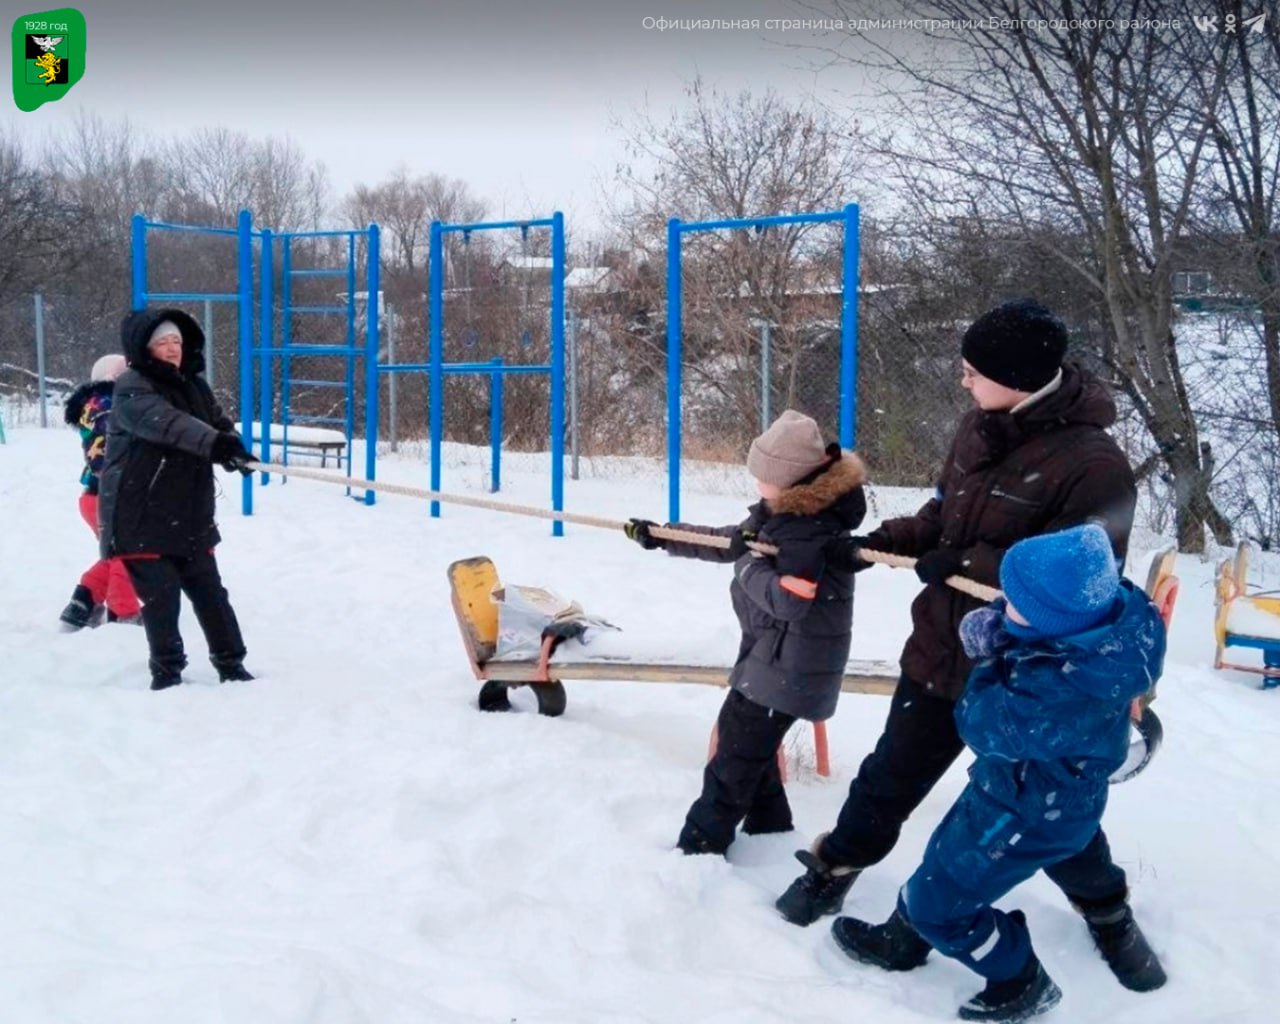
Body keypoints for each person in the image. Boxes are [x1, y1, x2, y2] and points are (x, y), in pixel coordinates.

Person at [774, 299, 1165, 993]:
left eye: (973, 371)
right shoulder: (979, 425)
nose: (962, 381)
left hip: (1032, 677)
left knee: (1045, 804)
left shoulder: (1094, 465)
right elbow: (944, 511)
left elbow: (1086, 574)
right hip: (940, 649)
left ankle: (1107, 911)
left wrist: (965, 563)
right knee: (890, 774)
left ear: (1016, 377)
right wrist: (892, 542)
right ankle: (834, 868)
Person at [828, 524, 1167, 1022]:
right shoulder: (1110, 634)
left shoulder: (1054, 696)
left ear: (1050, 622)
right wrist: (1013, 632)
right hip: (1052, 792)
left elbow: (979, 722)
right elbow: (1047, 644)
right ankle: (906, 940)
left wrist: (988, 657)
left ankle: (1018, 978)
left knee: (940, 900)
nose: (1002, 601)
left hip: (1021, 807)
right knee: (968, 854)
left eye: (1015, 602)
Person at [624, 410, 867, 855]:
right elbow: (729, 540)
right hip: (779, 658)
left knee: (733, 759)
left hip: (789, 664)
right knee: (752, 748)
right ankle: (770, 829)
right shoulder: (787, 514)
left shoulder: (804, 531)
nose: (756, 484)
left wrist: (747, 565)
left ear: (790, 480)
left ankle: (699, 847)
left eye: (763, 476)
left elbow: (789, 601)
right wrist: (661, 535)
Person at [97, 309, 256, 691]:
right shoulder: (132, 387)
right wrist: (214, 444)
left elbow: (216, 423)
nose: (172, 349)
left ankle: (232, 666)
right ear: (145, 348)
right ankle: (167, 675)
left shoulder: (195, 386)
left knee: (211, 593)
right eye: (162, 342)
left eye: (177, 342)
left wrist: (232, 445)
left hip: (189, 512)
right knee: (162, 599)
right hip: (142, 514)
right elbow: (168, 424)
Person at [59, 353, 143, 630]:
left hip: (93, 496)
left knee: (115, 553)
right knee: (129, 554)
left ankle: (82, 602)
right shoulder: (110, 405)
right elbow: (108, 452)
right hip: (109, 494)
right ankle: (124, 612)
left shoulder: (94, 404)